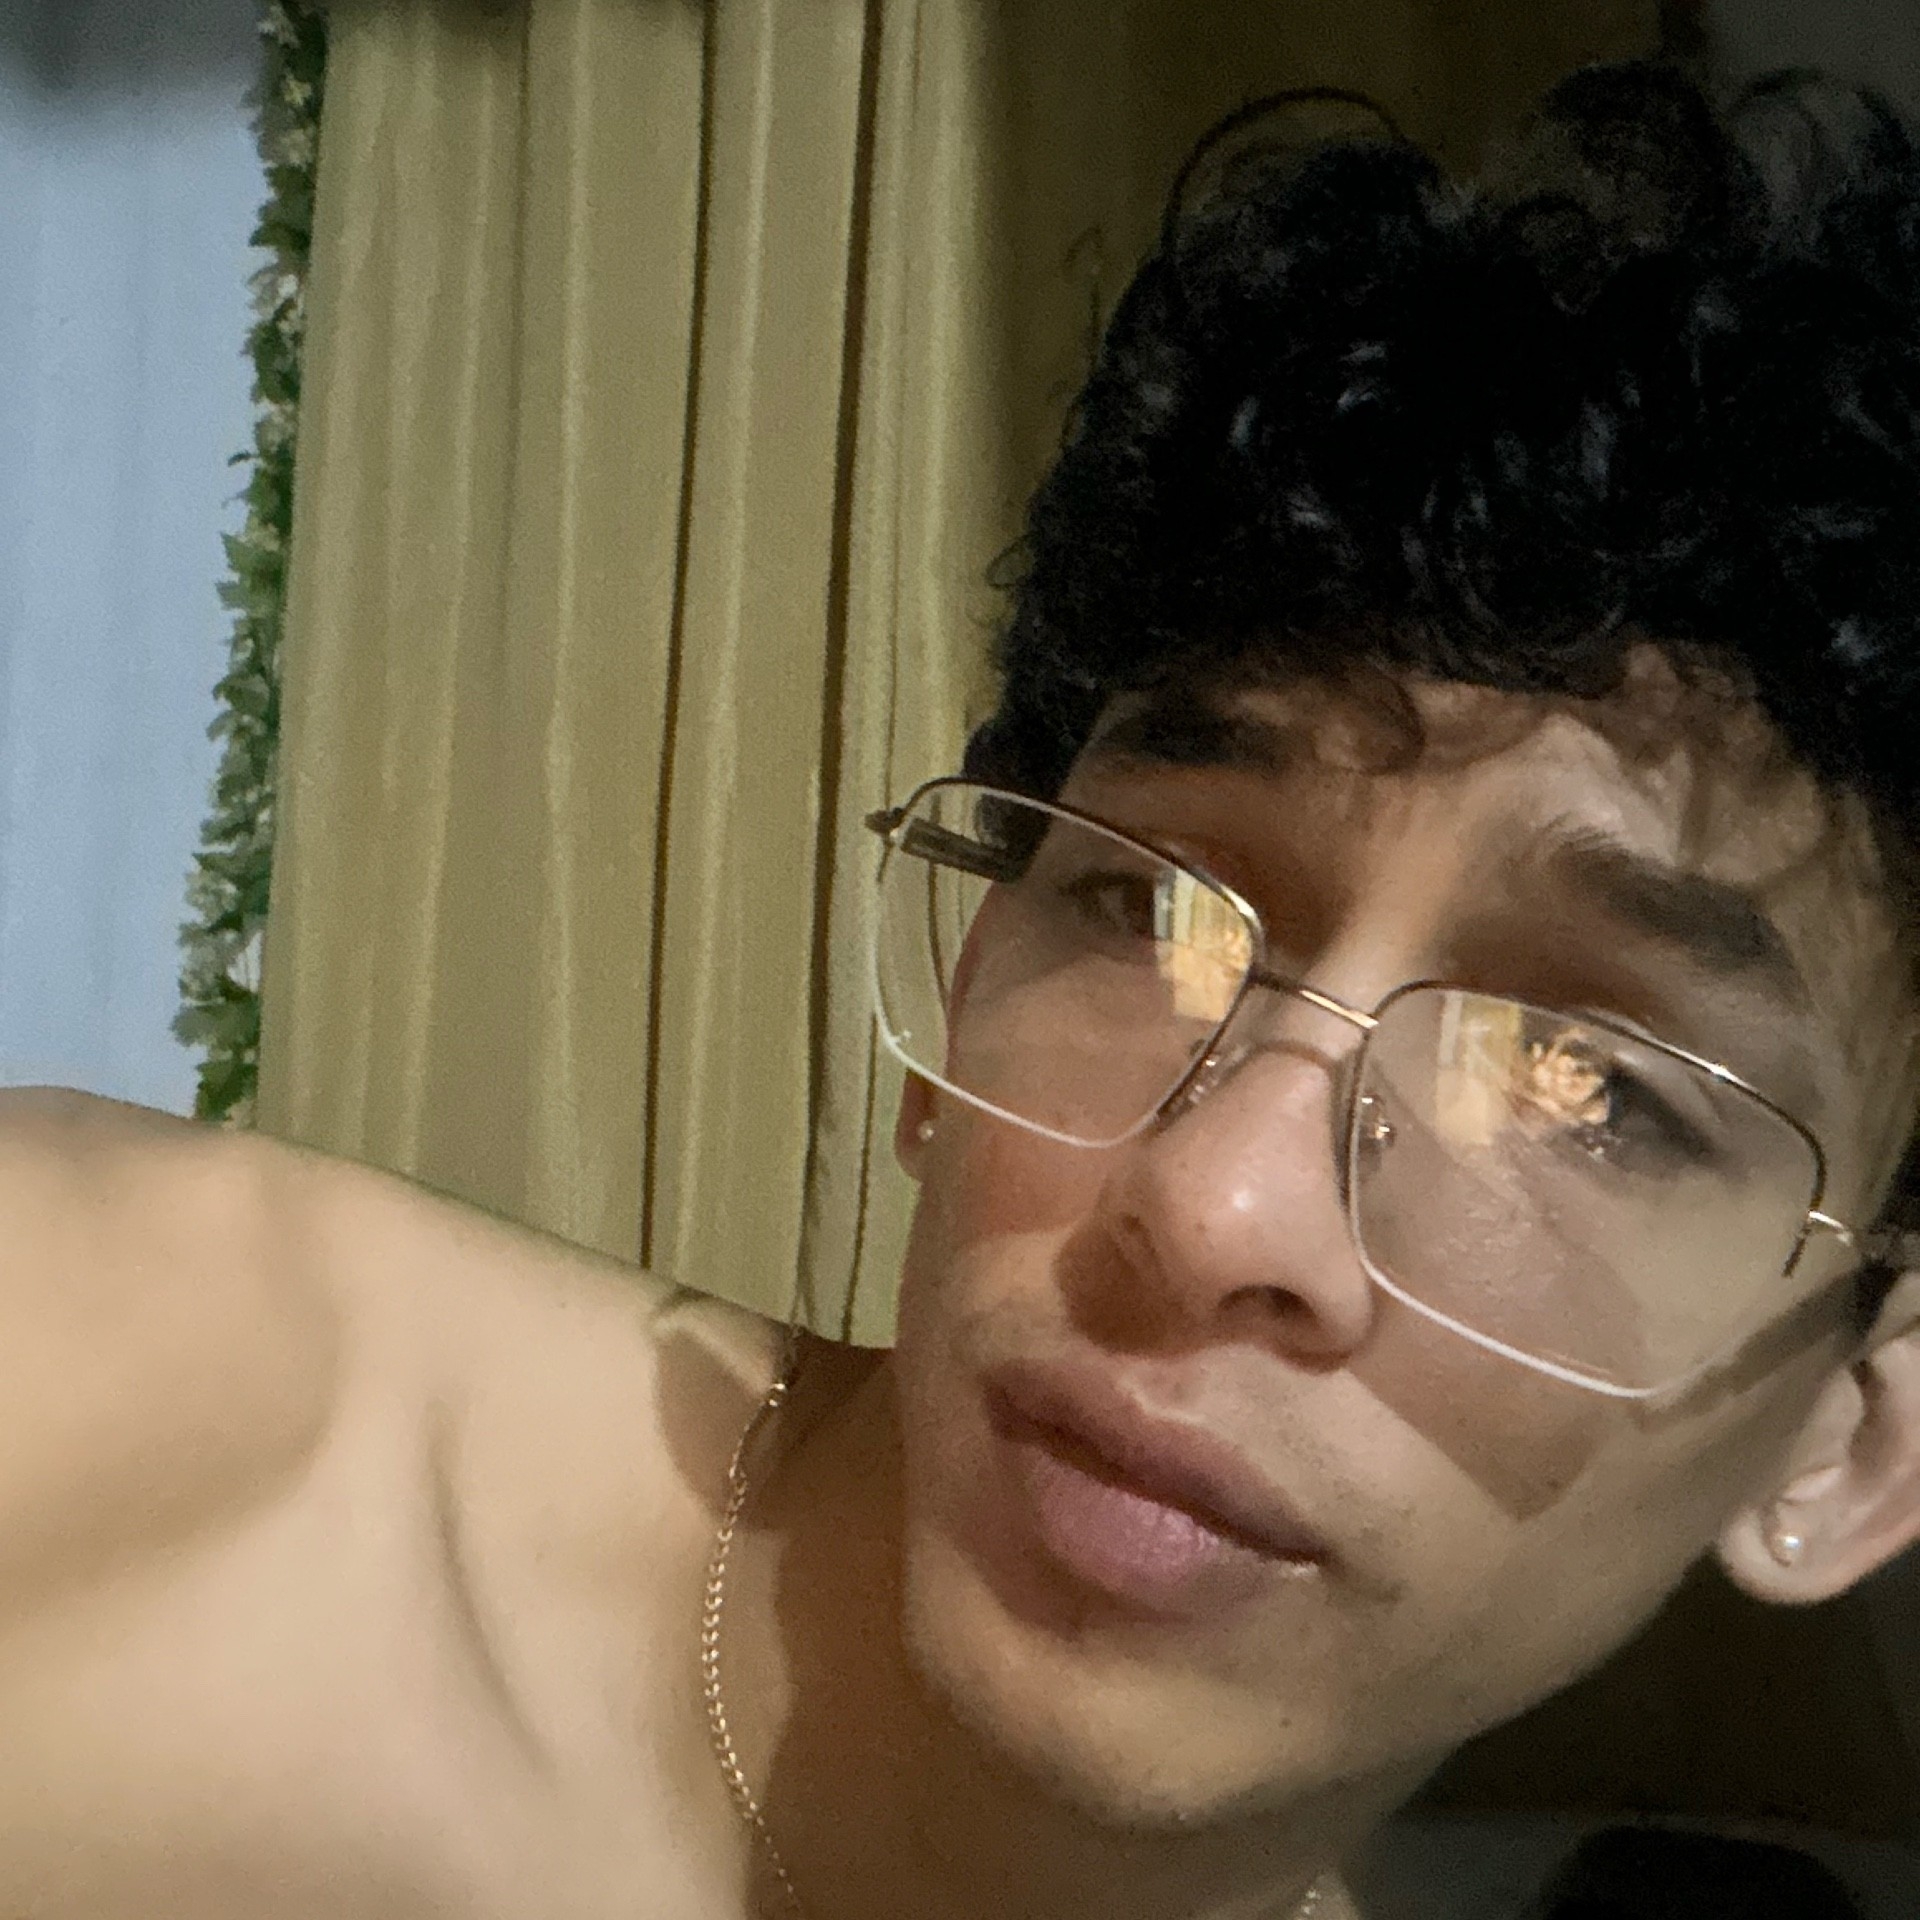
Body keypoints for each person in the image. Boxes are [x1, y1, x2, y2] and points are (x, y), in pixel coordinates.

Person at [5, 58, 1920, 1920]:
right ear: (975, 973)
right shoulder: (90, 1396)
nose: (1217, 1202)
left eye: (1590, 1086)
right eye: (1153, 912)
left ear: (1855, 1436)